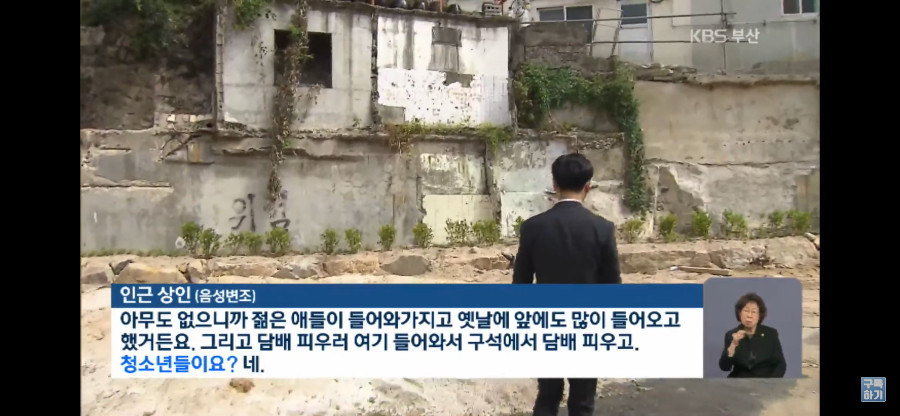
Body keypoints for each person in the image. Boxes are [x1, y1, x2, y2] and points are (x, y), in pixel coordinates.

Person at [513, 152, 622, 416]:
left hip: (545, 324)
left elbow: (521, 284)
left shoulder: (533, 227)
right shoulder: (602, 228)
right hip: (588, 325)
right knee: (582, 400)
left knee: (548, 395)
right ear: (588, 187)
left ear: (554, 184)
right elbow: (612, 287)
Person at [718, 292, 787, 378]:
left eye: (753, 312)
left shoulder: (771, 334)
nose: (749, 315)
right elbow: (725, 367)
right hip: (739, 382)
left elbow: (780, 364)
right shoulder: (731, 335)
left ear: (759, 315)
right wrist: (733, 346)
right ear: (739, 313)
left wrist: (771, 383)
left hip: (764, 382)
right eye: (746, 311)